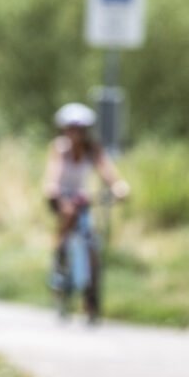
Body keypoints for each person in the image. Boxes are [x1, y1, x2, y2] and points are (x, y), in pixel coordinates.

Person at [43, 102, 130, 316]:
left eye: (80, 130)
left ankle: (91, 299)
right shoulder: (59, 149)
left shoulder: (93, 149)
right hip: (61, 196)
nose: (75, 134)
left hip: (83, 199)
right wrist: (54, 190)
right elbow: (53, 173)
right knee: (68, 215)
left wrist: (118, 186)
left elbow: (107, 170)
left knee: (91, 240)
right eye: (71, 129)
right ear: (64, 130)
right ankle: (59, 259)